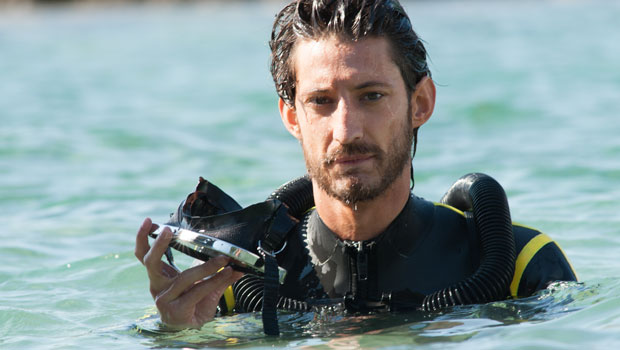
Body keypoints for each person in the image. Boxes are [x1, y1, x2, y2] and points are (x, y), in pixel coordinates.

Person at [135, 0, 577, 330]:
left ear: (420, 103)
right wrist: (176, 334)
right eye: (321, 102)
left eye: (371, 96)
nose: (346, 131)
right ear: (292, 117)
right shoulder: (231, 283)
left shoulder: (520, 266)